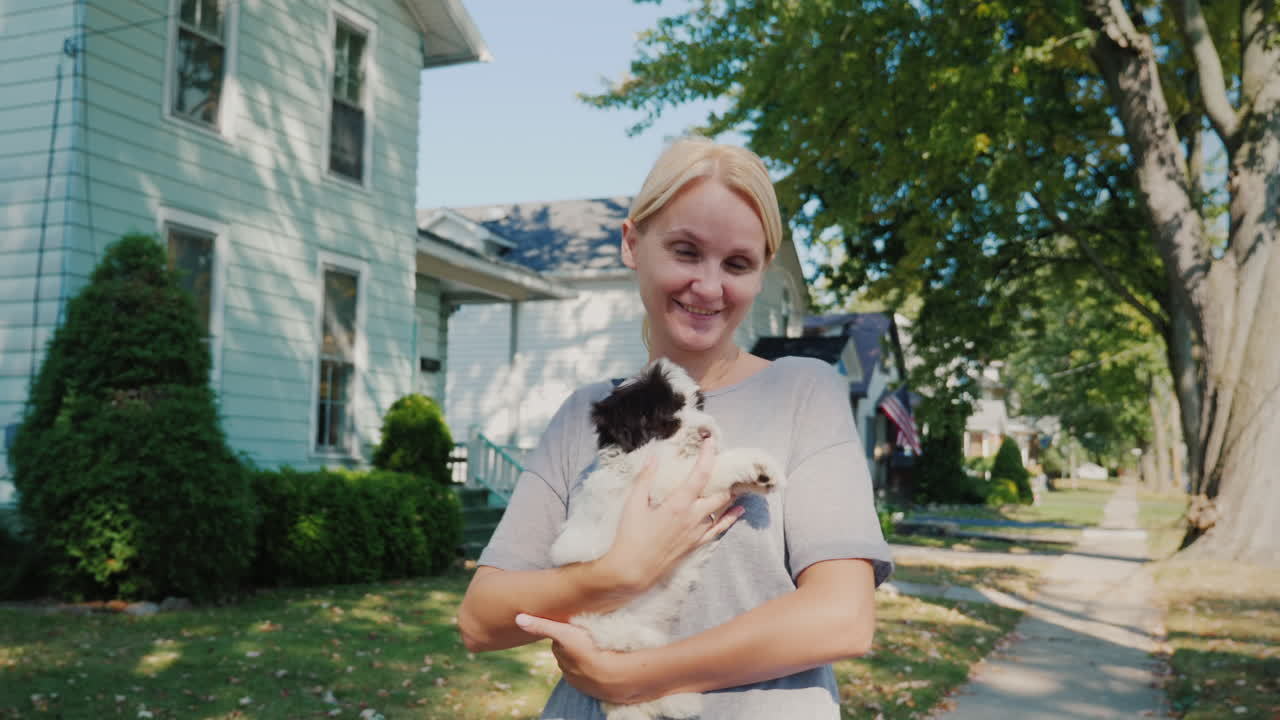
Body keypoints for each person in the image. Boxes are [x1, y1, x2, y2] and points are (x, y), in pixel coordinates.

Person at [457, 136, 894, 719]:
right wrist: (616, 574)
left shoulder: (804, 391)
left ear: (763, 271)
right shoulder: (585, 414)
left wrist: (633, 675)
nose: (709, 287)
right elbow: (481, 619)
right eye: (686, 252)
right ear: (632, 243)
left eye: (737, 263)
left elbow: (843, 618)